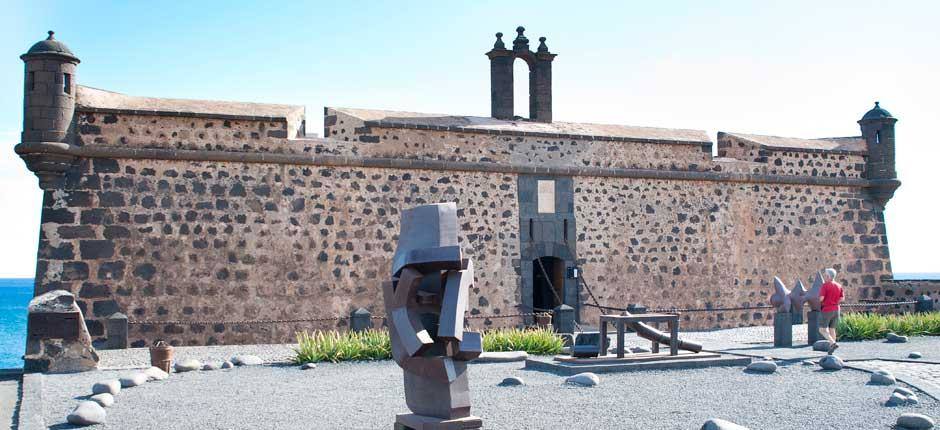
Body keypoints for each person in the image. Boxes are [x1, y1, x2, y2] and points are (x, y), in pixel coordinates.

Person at [819, 268, 844, 354]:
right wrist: (834, 302)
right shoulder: (839, 286)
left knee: (822, 330)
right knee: (832, 329)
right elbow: (842, 298)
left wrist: (820, 300)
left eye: (826, 275)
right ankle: (832, 349)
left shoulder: (825, 285)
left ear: (828, 276)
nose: (825, 276)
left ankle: (833, 343)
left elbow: (821, 298)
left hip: (827, 309)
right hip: (836, 309)